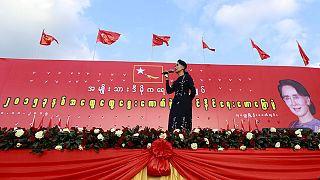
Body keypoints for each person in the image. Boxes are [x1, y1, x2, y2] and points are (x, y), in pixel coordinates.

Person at [164, 59, 196, 131]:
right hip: (175, 103)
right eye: (175, 66)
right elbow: (169, 91)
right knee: (174, 119)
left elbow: (193, 91)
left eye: (177, 65)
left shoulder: (187, 77)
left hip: (185, 102)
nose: (175, 67)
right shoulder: (176, 81)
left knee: (183, 121)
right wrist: (167, 79)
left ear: (183, 67)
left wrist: (187, 99)